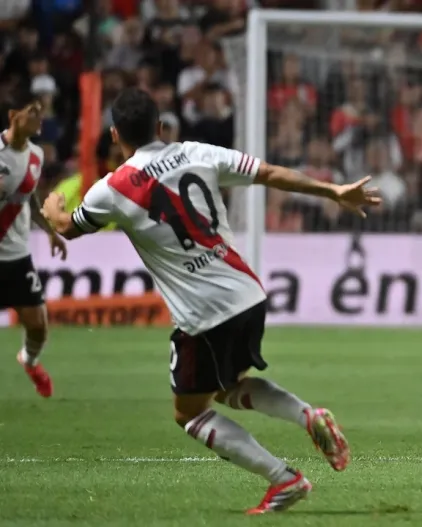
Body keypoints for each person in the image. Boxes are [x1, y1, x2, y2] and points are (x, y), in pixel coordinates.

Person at [41, 88, 381, 513]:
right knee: (226, 387)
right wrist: (332, 190)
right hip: (248, 294)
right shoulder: (196, 152)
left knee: (189, 413)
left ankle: (285, 480)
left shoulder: (112, 189)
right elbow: (269, 172)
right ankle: (306, 416)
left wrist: (51, 208)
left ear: (114, 134)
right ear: (160, 127)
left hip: (203, 314)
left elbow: (68, 228)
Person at [0, 88, 67, 399]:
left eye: (41, 111)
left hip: (17, 256)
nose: (40, 117)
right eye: (33, 111)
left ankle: (29, 361)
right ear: (14, 116)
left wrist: (50, 231)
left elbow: (29, 197)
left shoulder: (36, 155)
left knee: (38, 325)